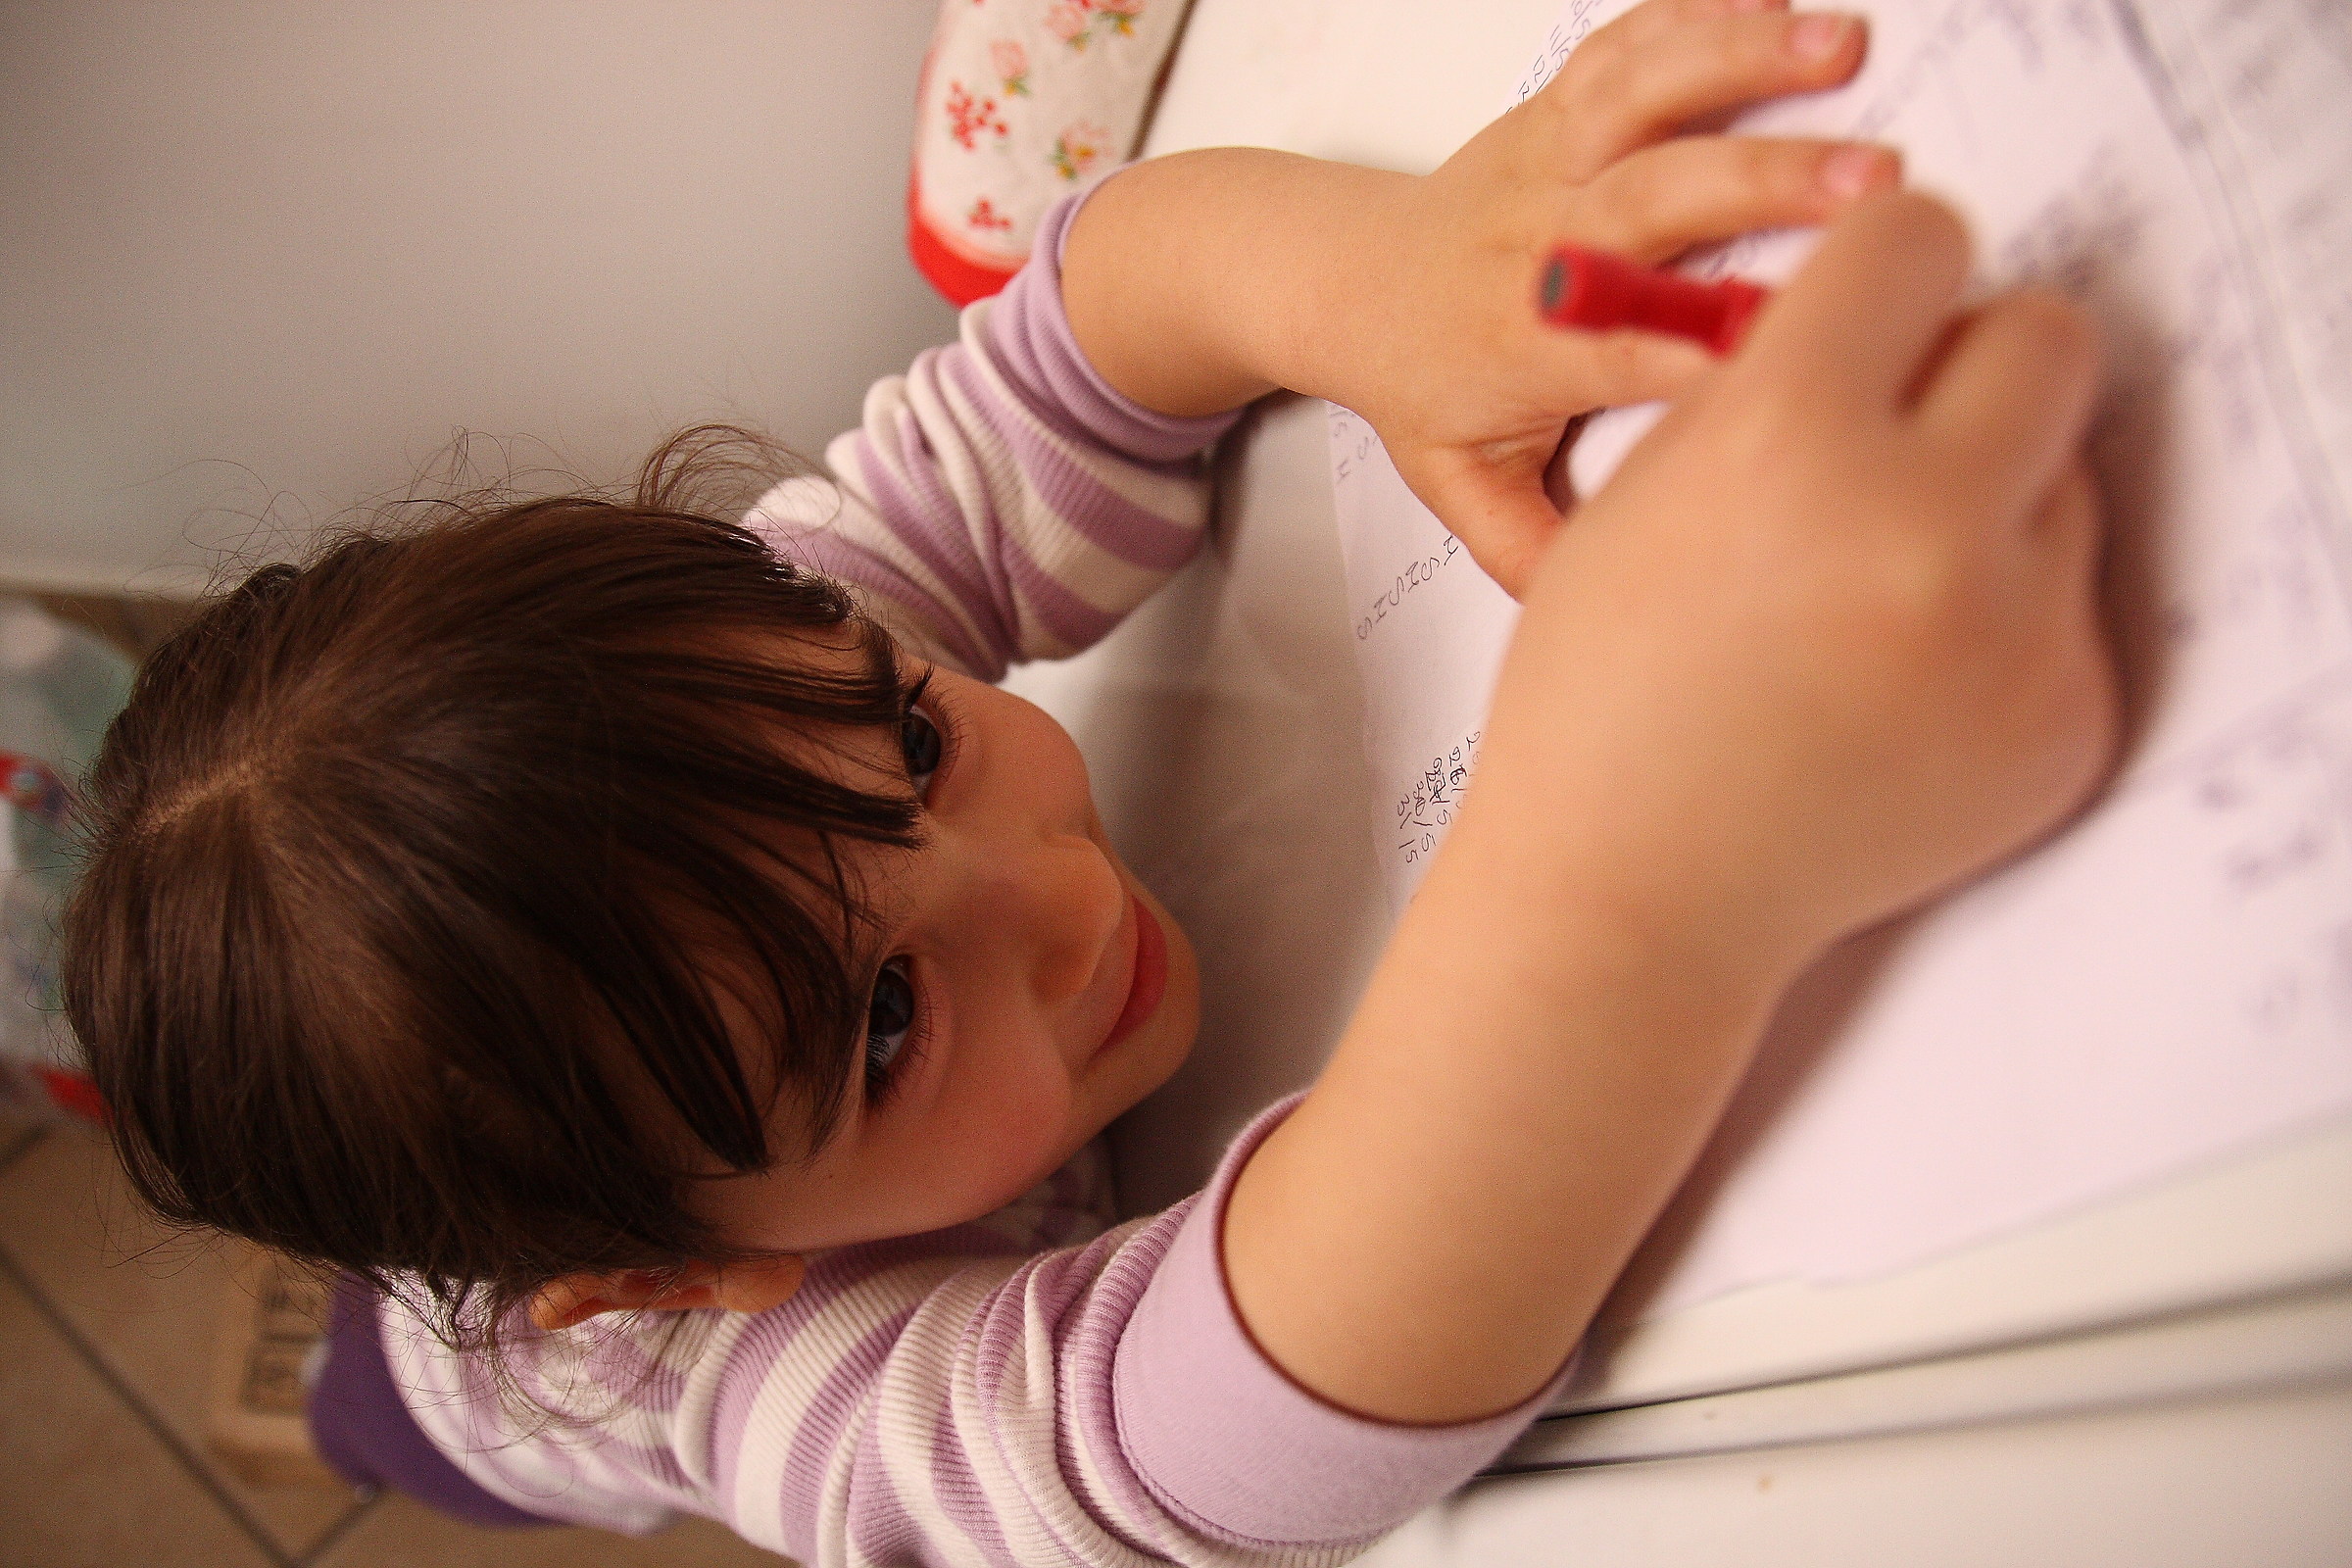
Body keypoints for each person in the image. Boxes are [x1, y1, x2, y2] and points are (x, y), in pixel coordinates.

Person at [63, 1, 2119, 1562]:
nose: (1047, 887)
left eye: (918, 737)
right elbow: (1238, 1439)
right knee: (409, 1399)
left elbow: (1071, 330)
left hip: (533, 1147)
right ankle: (340, 1401)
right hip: (508, 1390)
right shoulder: (769, 1388)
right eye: (881, 1020)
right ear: (704, 1260)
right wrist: (1662, 867)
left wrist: (1391, 279)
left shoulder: (748, 681)